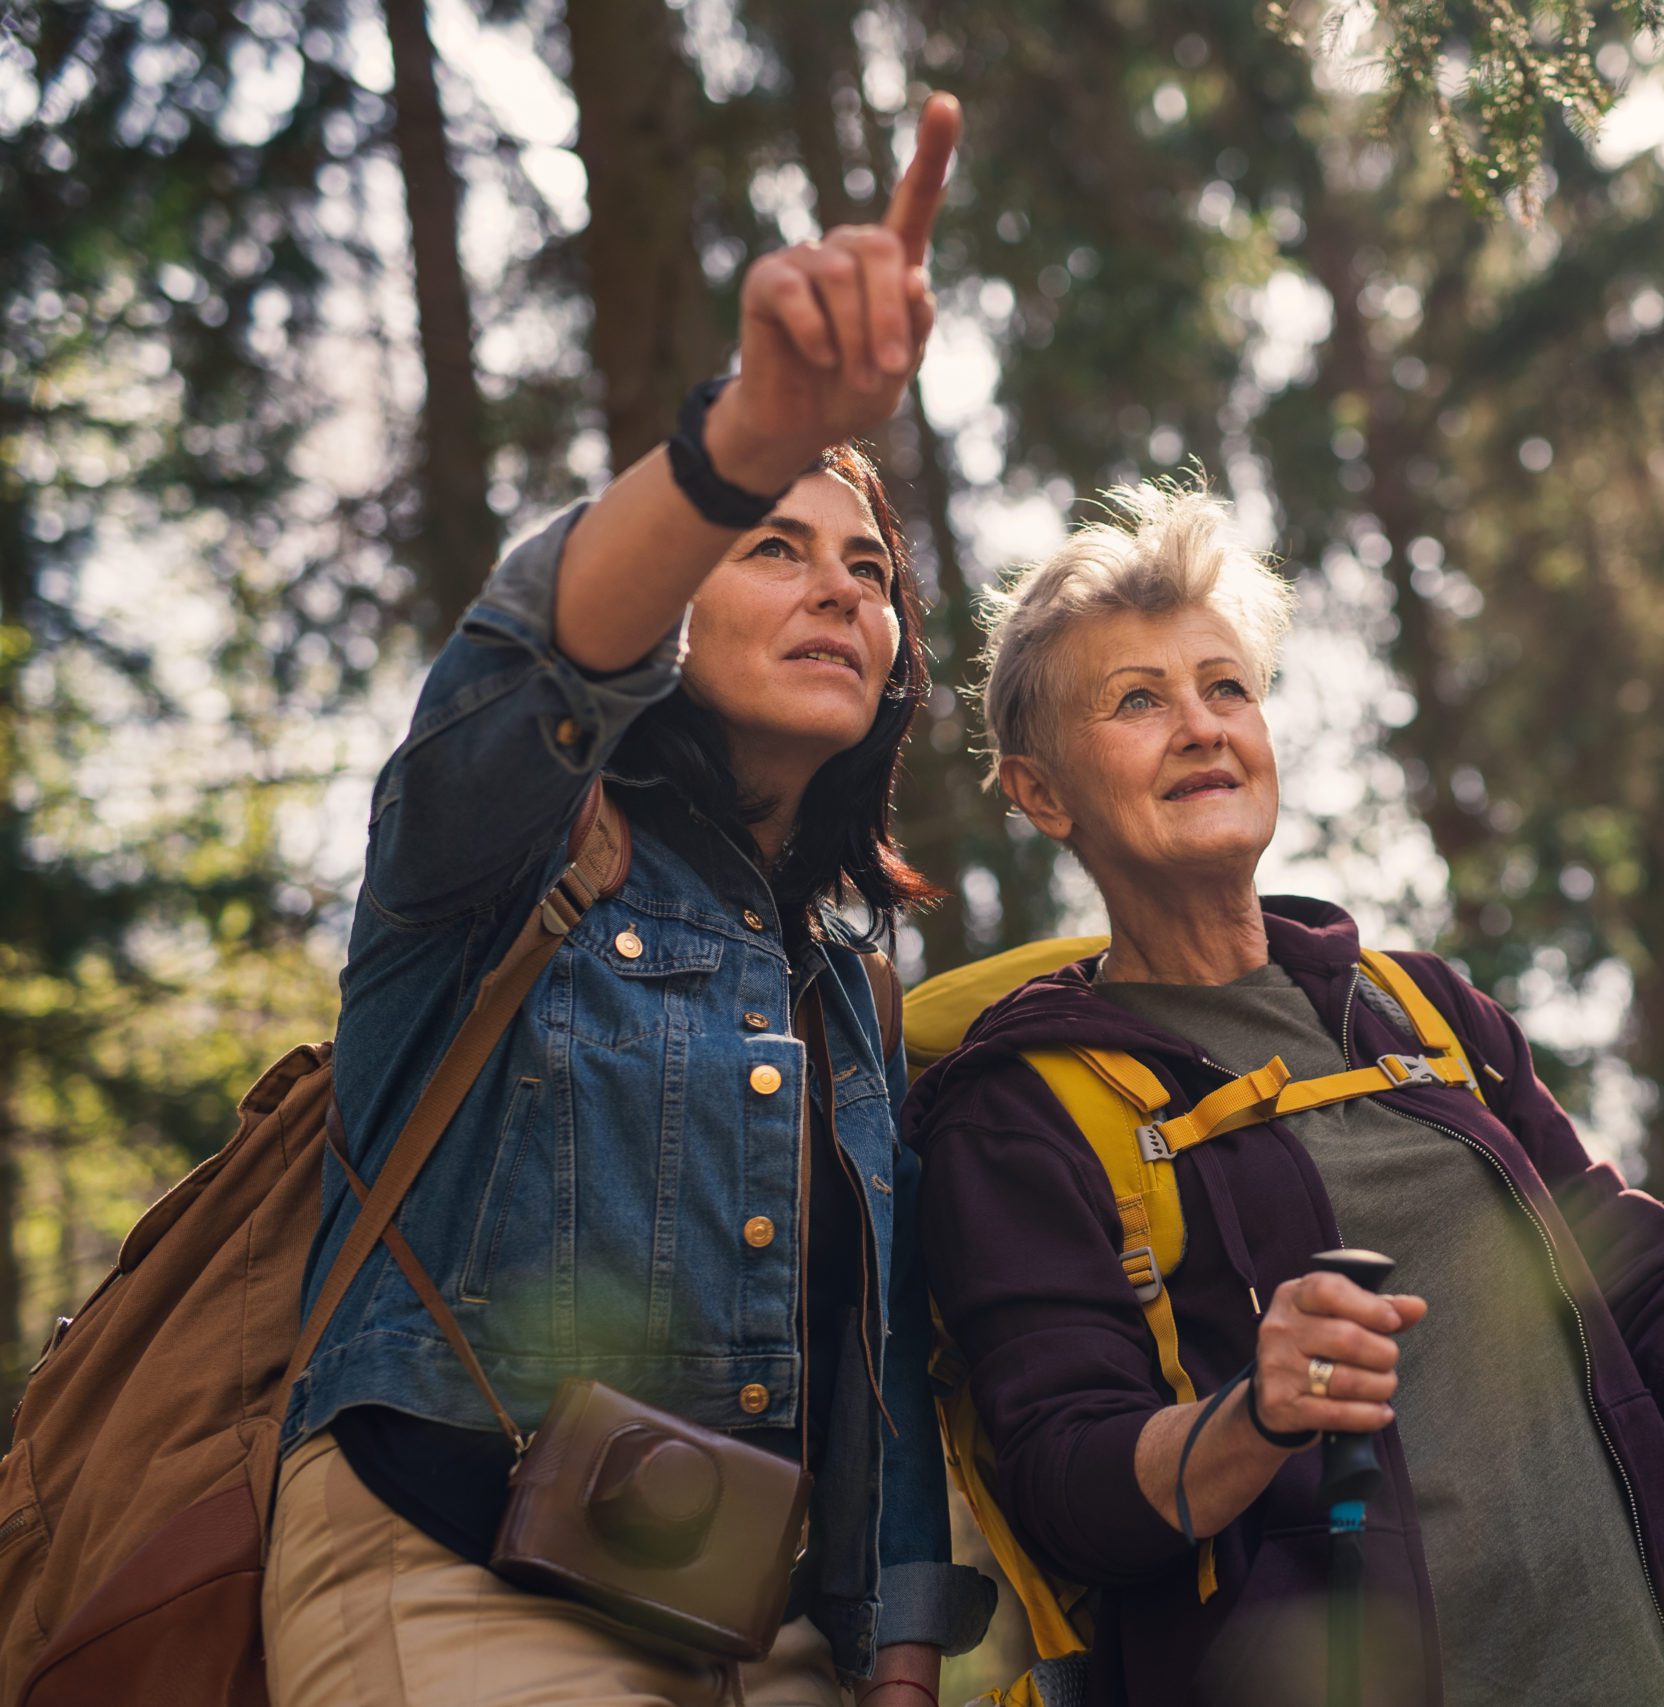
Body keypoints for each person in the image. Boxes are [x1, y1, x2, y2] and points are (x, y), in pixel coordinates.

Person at [910, 484, 1664, 1707]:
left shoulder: (1419, 1010)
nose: (1202, 727)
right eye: (1138, 700)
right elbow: (1064, 1486)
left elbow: (1629, 1278)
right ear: (1041, 793)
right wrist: (1255, 1415)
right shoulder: (1020, 1112)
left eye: (1227, 687)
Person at [265, 93, 990, 1707]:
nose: (837, 585)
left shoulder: (853, 981)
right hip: (452, 1570)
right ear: (675, 603)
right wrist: (748, 439)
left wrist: (900, 1649)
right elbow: (539, 656)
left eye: (869, 568)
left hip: (755, 1624)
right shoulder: (503, 846)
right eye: (774, 547)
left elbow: (877, 1364)